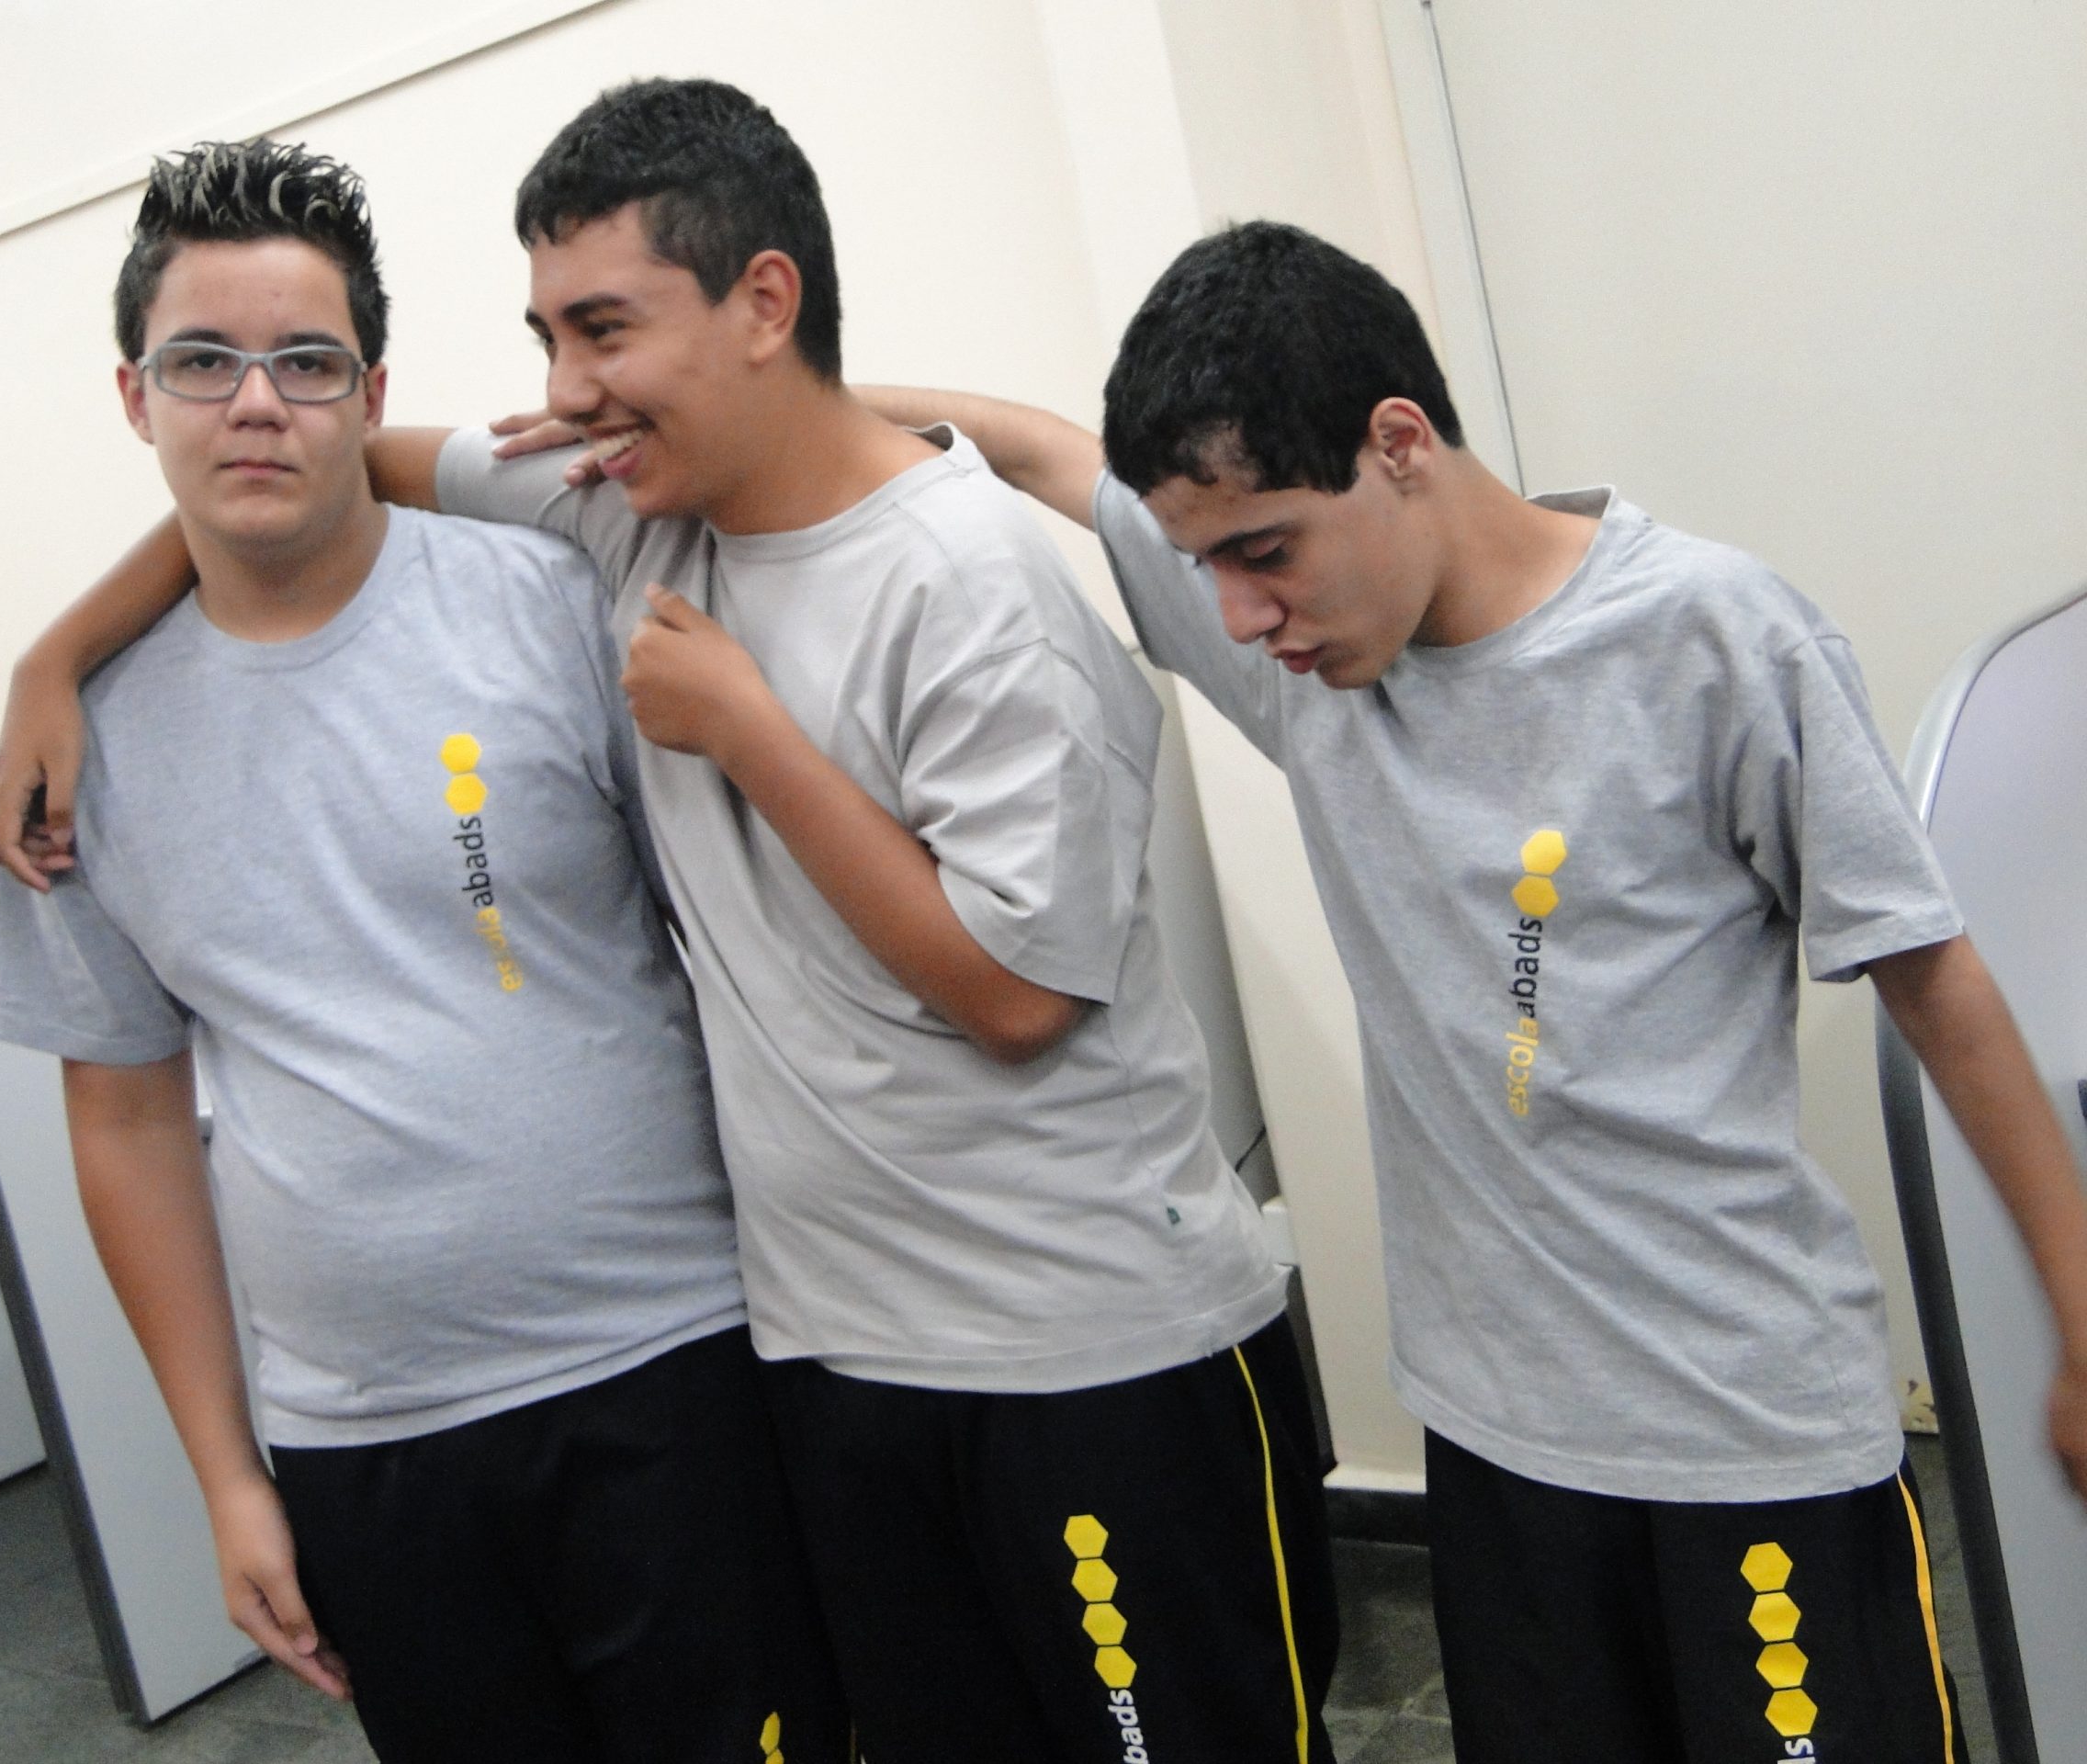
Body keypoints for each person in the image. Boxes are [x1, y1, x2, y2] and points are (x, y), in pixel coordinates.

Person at [0, 83, 1340, 1764]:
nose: (565, 389)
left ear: (764, 304)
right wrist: (61, 650)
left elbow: (1013, 998)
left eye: (604, 330)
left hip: (1071, 1350)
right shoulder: (623, 516)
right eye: (549, 337)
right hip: (835, 1357)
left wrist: (752, 730)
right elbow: (303, 466)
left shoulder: (947, 579)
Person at [856, 220, 2087, 1763]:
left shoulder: (1713, 636)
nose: (1235, 617)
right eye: (1203, 566)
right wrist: (762, 408)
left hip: (1750, 1437)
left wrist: (2081, 1320)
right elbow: (1040, 447)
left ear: (1400, 444)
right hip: (1498, 1456)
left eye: (1264, 553)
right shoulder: (1311, 662)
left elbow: (1938, 986)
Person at [0, 137, 848, 1764]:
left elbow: (733, 932)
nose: (256, 404)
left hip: (675, 1363)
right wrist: (227, 1474)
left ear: (372, 393)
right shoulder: (79, 750)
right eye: (203, 363)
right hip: (366, 1443)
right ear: (133, 396)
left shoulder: (550, 600)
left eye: (307, 363)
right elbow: (128, 1119)